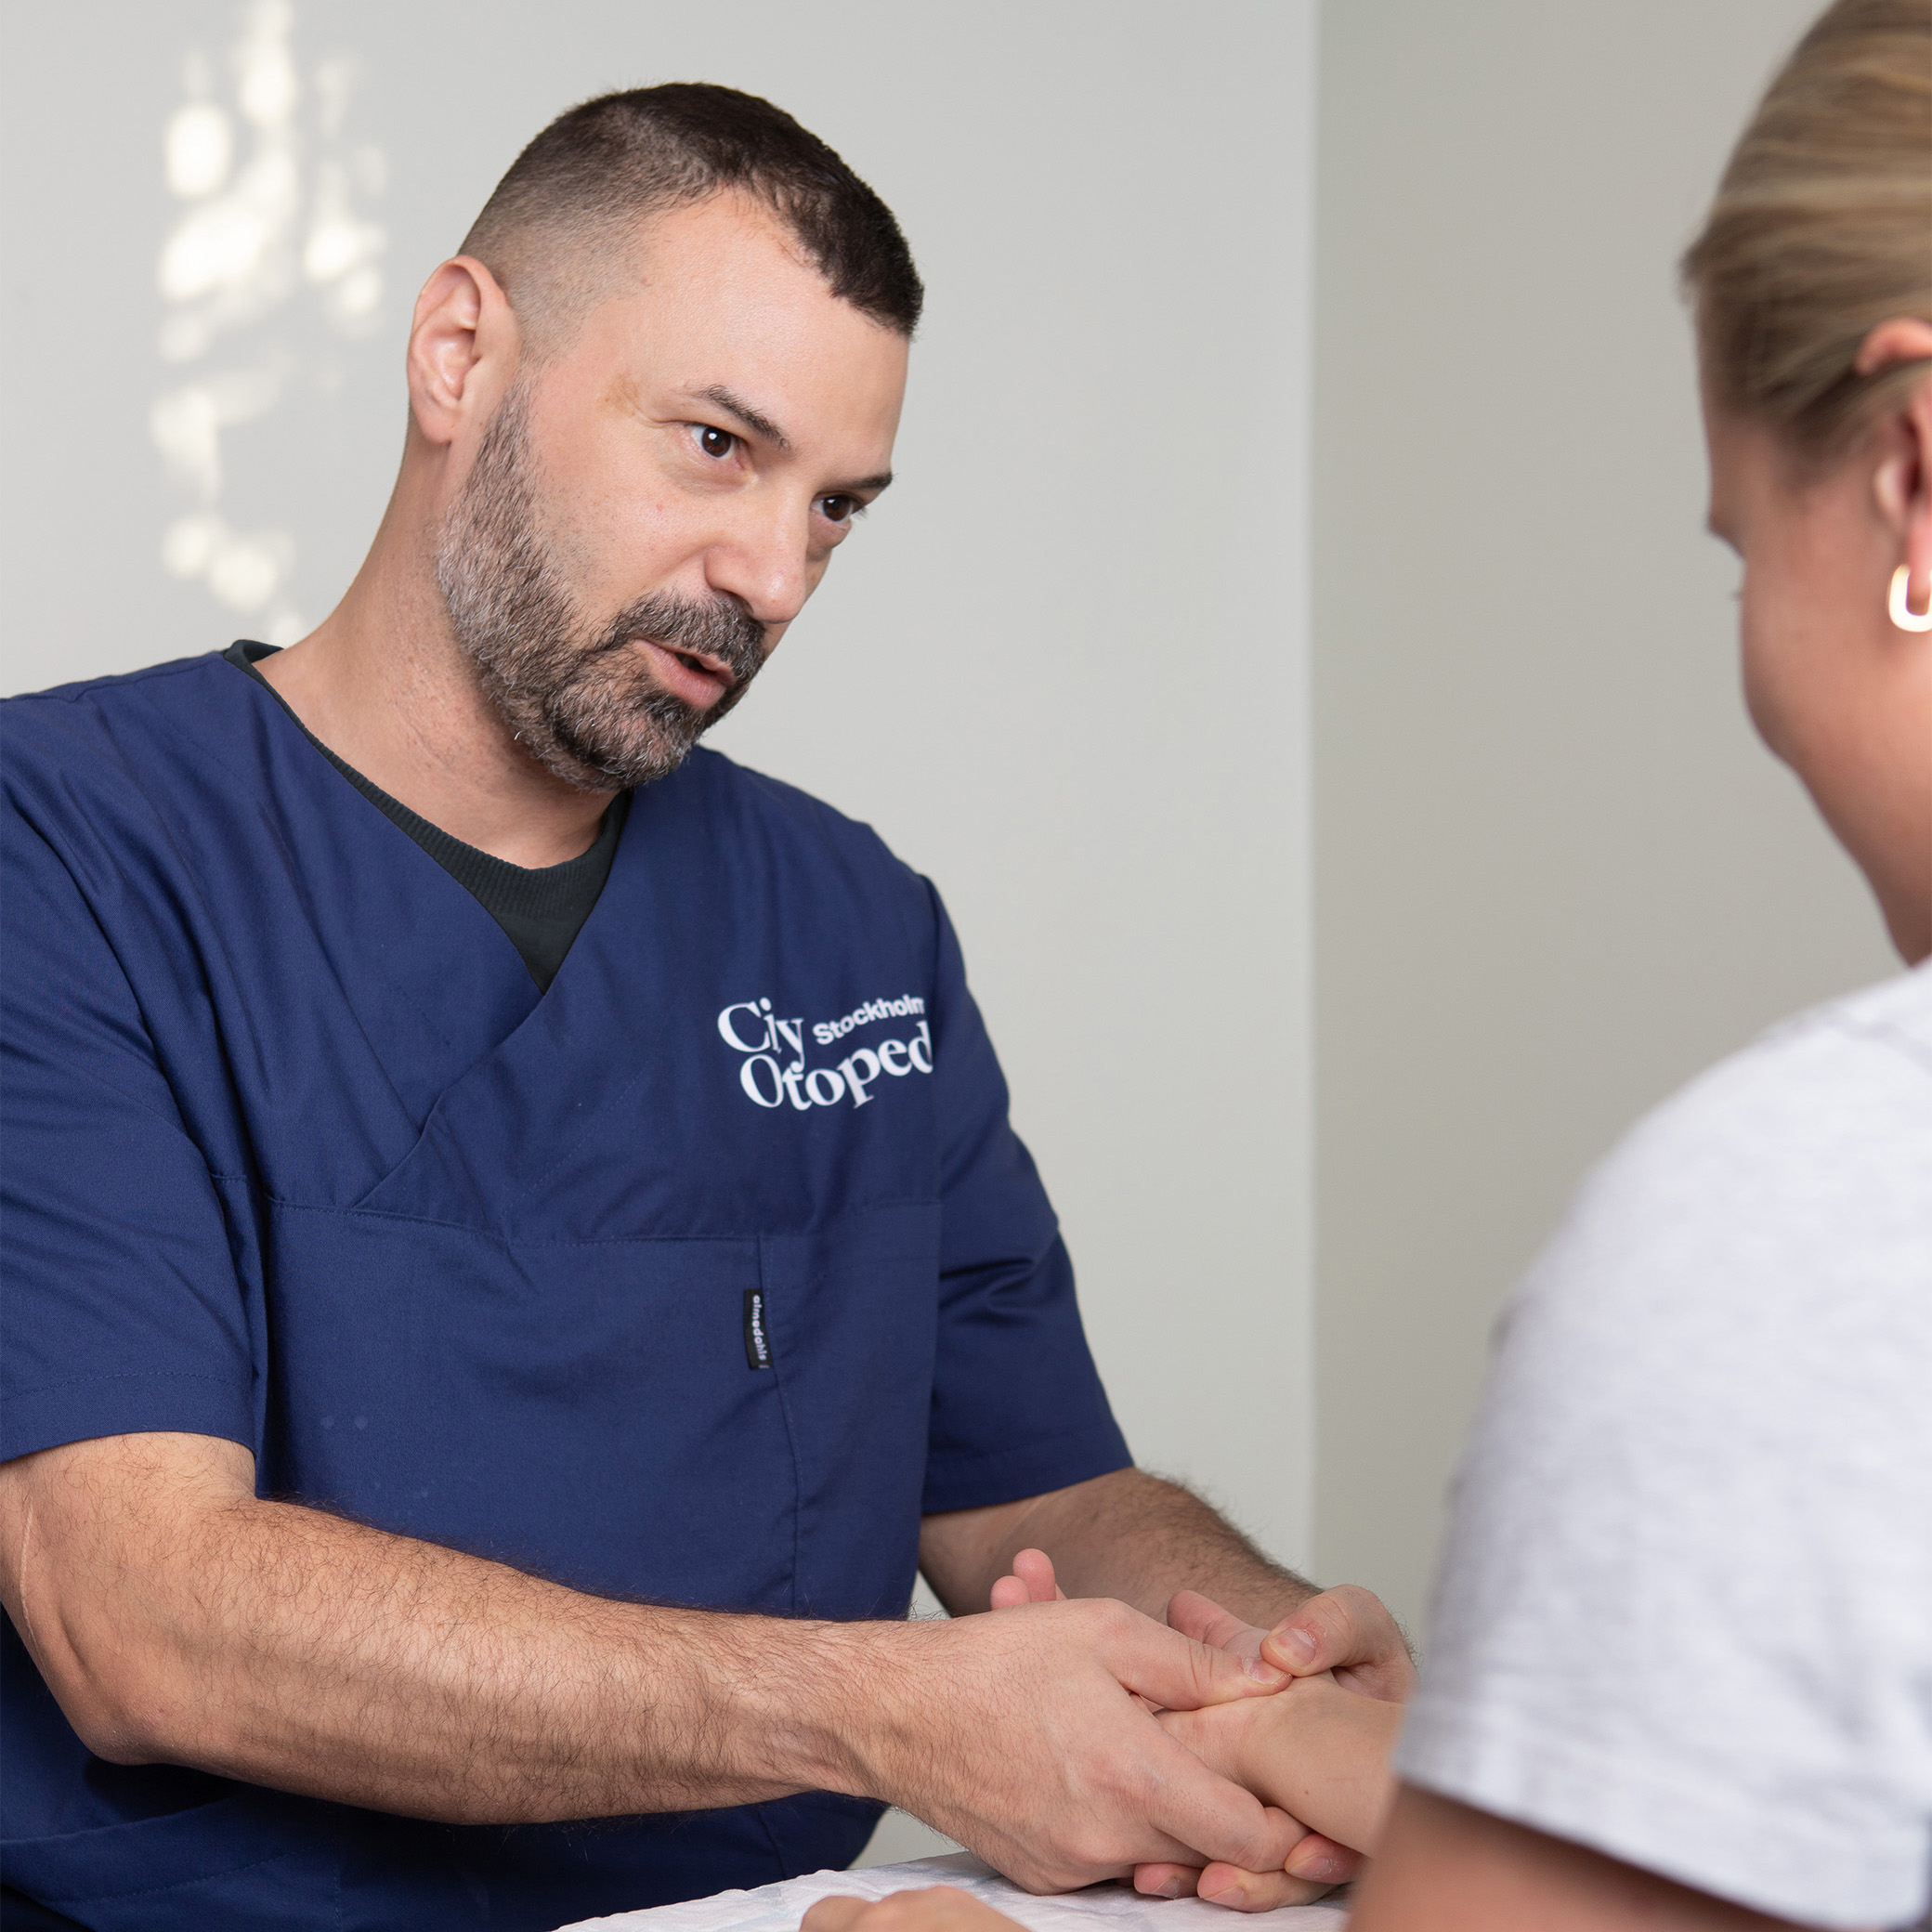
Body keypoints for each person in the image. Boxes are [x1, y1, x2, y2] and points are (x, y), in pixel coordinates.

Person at [0, 85, 1406, 1932]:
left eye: (834, 508)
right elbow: (141, 1617)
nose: (772, 576)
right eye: (716, 446)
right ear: (458, 355)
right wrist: (883, 1709)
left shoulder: (848, 925)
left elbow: (1038, 1506)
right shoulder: (67, 851)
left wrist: (1274, 1667)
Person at [806, 0, 1932, 1925]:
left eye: (1741, 553)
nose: (772, 571)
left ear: (1911, 475)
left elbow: (1021, 1467)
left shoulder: (1795, 1232)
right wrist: (1333, 1729)